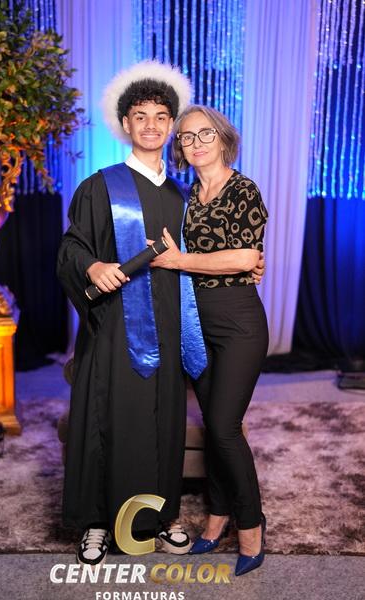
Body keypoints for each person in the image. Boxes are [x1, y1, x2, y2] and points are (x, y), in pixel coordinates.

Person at [56, 61, 200, 566]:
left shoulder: (183, 195)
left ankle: (162, 516)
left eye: (161, 117)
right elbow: (71, 247)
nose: (151, 126)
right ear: (125, 123)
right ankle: (97, 523)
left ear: (172, 125)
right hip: (116, 328)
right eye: (140, 116)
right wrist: (92, 265)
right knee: (107, 420)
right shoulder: (101, 187)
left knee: (164, 422)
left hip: (169, 325)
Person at [151, 104, 269, 576]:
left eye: (205, 134)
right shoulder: (183, 198)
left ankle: (251, 526)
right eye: (186, 136)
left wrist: (181, 262)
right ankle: (217, 517)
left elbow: (243, 258)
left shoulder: (244, 190)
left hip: (239, 322)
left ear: (223, 139)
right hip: (193, 325)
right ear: (179, 147)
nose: (196, 143)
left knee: (223, 427)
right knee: (214, 425)